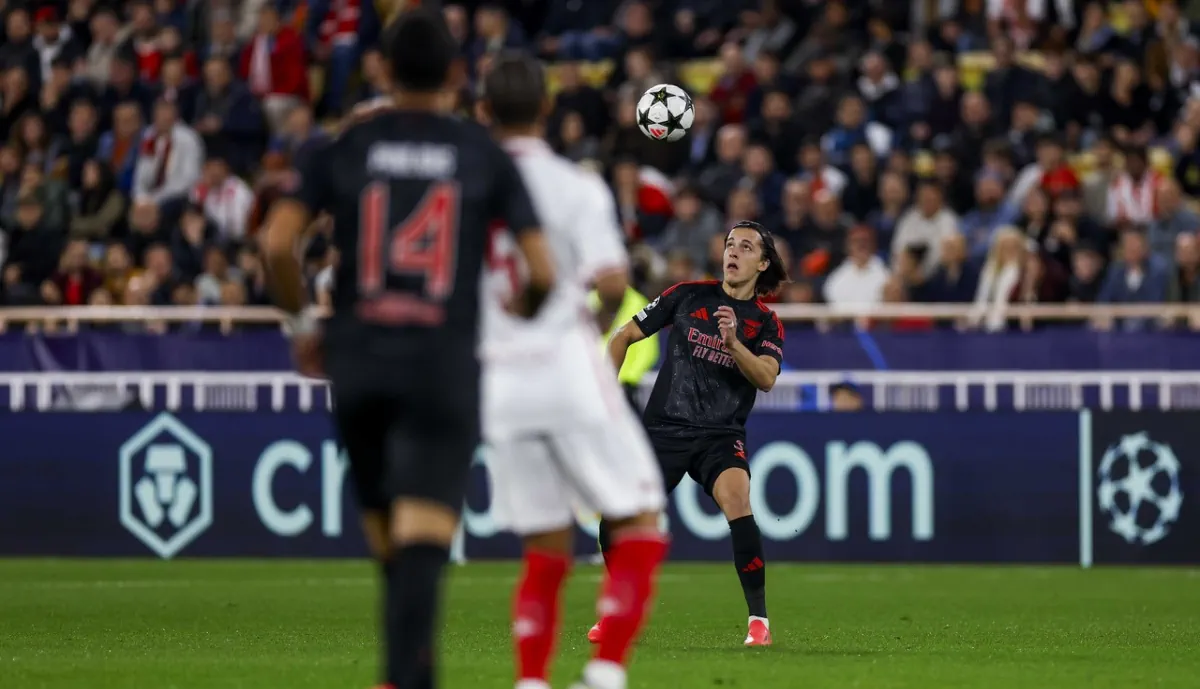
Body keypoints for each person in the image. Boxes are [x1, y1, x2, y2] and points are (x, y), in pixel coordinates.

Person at [262, 10, 555, 689]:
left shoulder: (343, 146)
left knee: (390, 544)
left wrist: (304, 324)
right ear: (458, 74)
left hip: (358, 358)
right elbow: (540, 270)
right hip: (440, 362)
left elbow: (277, 243)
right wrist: (525, 310)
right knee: (423, 535)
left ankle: (406, 675)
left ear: (383, 72)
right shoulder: (481, 153)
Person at [478, 53, 668, 689]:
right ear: (549, 109)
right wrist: (596, 316)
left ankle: (532, 680)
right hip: (563, 365)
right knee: (642, 518)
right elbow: (612, 281)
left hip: (498, 382)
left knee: (545, 544)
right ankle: (606, 668)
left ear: (483, 112)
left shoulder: (465, 188)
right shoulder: (576, 187)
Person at [595, 219, 788, 648]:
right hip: (663, 427)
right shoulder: (686, 296)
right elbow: (623, 337)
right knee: (615, 513)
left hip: (720, 434)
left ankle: (759, 621)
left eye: (746, 247)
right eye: (729, 245)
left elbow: (767, 379)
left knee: (737, 499)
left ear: (763, 263)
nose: (733, 253)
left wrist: (735, 344)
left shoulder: (766, 324)